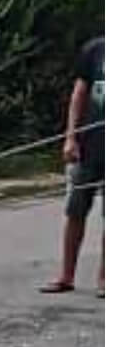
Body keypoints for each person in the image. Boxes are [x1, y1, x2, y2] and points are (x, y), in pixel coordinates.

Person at [41, 35, 104, 297]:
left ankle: (105, 279)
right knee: (75, 211)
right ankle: (66, 276)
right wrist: (70, 137)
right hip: (87, 147)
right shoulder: (96, 49)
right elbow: (78, 94)